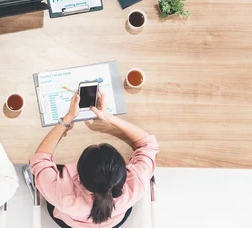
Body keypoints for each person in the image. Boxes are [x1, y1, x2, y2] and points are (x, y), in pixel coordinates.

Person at [30, 89, 158, 228]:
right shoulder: (136, 184)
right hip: (113, 219)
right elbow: (148, 144)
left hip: (70, 219)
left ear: (77, 173)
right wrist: (109, 117)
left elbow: (39, 160)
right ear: (123, 171)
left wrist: (67, 118)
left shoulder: (62, 196)